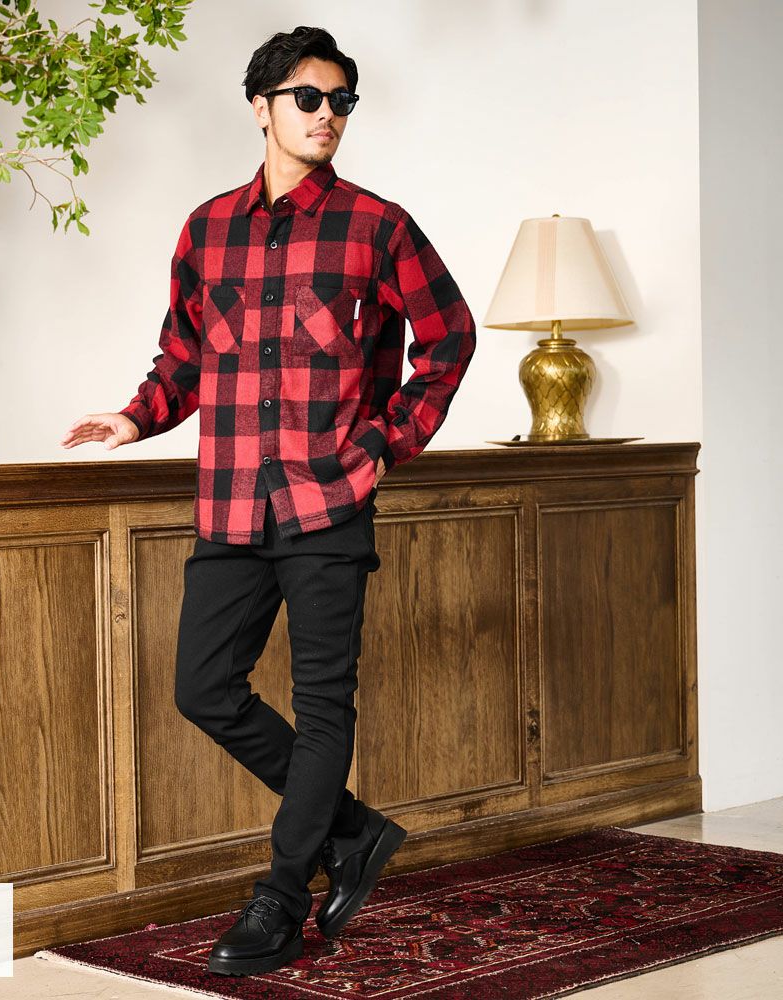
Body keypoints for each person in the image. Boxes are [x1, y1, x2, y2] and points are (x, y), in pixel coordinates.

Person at [60, 24, 477, 978]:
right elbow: (184, 356)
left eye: (342, 102)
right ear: (262, 107)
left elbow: (449, 336)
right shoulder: (207, 229)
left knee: (325, 706)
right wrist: (135, 417)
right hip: (233, 499)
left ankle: (282, 898)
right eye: (308, 98)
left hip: (329, 502)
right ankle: (353, 831)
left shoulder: (377, 225)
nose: (327, 116)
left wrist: (384, 443)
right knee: (203, 688)